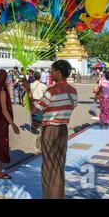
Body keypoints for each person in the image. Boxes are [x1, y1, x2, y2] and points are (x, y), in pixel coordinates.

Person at [23, 60, 78, 199]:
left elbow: (35, 110)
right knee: (58, 165)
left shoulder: (52, 90)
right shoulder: (73, 91)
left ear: (58, 73)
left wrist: (28, 90)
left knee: (49, 167)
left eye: (52, 70)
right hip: (62, 130)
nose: (50, 73)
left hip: (51, 131)